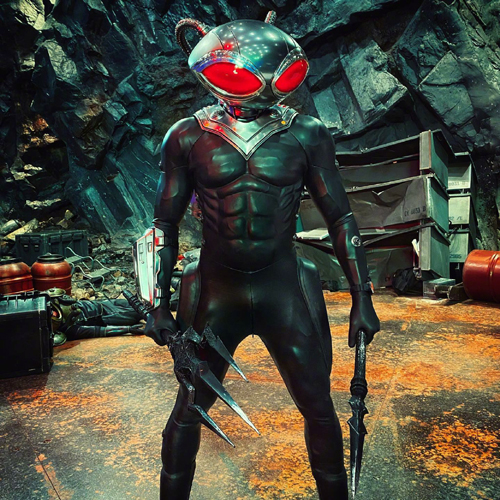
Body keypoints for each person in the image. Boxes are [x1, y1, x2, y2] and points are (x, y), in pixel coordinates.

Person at [142, 12, 380, 500]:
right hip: (215, 291)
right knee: (188, 411)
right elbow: (162, 227)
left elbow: (341, 217)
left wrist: (363, 298)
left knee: (319, 408)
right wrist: (156, 305)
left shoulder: (307, 134)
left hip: (283, 288)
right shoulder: (187, 136)